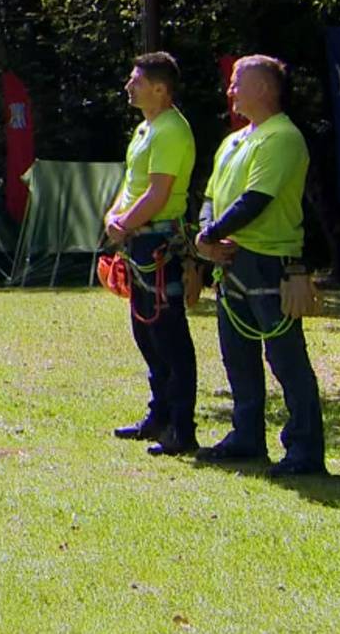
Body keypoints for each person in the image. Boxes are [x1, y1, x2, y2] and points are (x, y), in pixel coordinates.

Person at [195, 55, 324, 477]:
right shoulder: (233, 141)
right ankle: (247, 437)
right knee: (238, 357)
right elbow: (211, 197)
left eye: (237, 82)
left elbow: (256, 199)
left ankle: (304, 450)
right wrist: (206, 236)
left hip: (270, 263)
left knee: (286, 360)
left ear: (265, 89)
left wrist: (209, 236)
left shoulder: (282, 137)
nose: (230, 90)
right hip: (231, 264)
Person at [103, 53, 199, 457]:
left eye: (136, 80)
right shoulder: (146, 128)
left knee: (169, 333)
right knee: (145, 331)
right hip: (138, 242)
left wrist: (122, 224)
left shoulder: (172, 131)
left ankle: (181, 427)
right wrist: (114, 216)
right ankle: (157, 416)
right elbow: (132, 183)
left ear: (160, 88)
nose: (129, 86)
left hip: (158, 243)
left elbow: (158, 192)